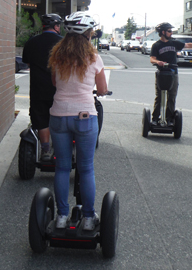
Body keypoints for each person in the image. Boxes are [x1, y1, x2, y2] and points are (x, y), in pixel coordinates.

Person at [48, 12, 109, 230]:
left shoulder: (57, 57)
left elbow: (56, 83)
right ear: (87, 34)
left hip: (59, 116)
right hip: (84, 116)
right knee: (85, 169)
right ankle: (89, 218)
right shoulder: (94, 58)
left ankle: (62, 216)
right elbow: (101, 89)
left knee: (62, 167)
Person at [149, 22, 192, 123]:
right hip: (161, 74)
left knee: (172, 96)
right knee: (160, 96)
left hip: (173, 73)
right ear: (163, 32)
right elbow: (152, 59)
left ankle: (169, 118)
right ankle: (155, 118)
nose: (171, 33)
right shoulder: (156, 45)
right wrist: (158, 62)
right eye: (169, 31)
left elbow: (187, 45)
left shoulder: (174, 43)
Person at [21, 13, 63, 161]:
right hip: (59, 90)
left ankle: (45, 150)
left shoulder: (32, 42)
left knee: (41, 120)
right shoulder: (63, 43)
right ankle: (59, 150)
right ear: (57, 26)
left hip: (38, 89)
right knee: (59, 120)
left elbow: (27, 63)